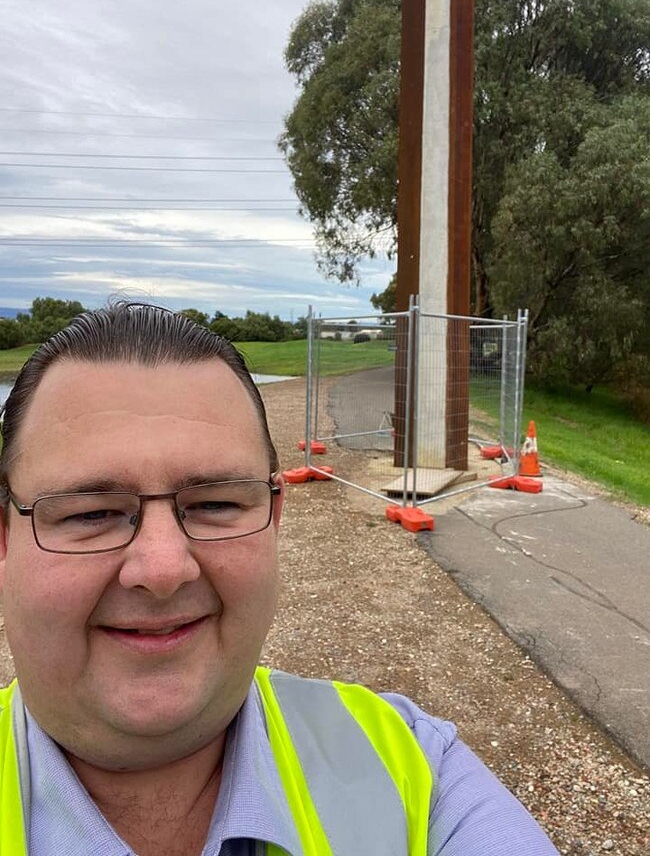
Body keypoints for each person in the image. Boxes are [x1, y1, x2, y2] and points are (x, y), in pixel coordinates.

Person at [0, 302, 558, 855]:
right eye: (89, 513)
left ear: (274, 520)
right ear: (5, 539)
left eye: (215, 503)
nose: (164, 568)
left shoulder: (414, 771)